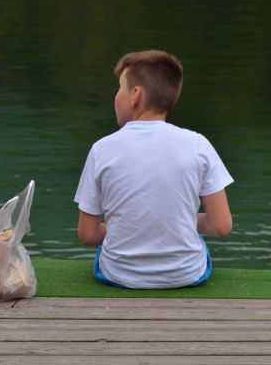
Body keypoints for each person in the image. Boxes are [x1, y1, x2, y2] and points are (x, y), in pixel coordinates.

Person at [74, 50, 233, 289]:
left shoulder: (102, 149)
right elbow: (221, 226)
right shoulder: (198, 144)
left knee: (106, 252)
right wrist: (178, 221)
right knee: (195, 243)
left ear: (135, 95)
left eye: (119, 87)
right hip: (186, 275)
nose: (115, 96)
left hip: (118, 274)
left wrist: (128, 227)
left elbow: (88, 235)